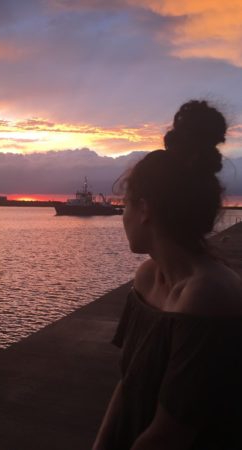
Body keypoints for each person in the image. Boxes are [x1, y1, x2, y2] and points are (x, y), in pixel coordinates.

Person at [92, 100, 242, 450]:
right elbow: (127, 384)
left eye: (126, 204)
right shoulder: (147, 278)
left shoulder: (209, 295)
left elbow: (170, 435)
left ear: (145, 209)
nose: (123, 216)